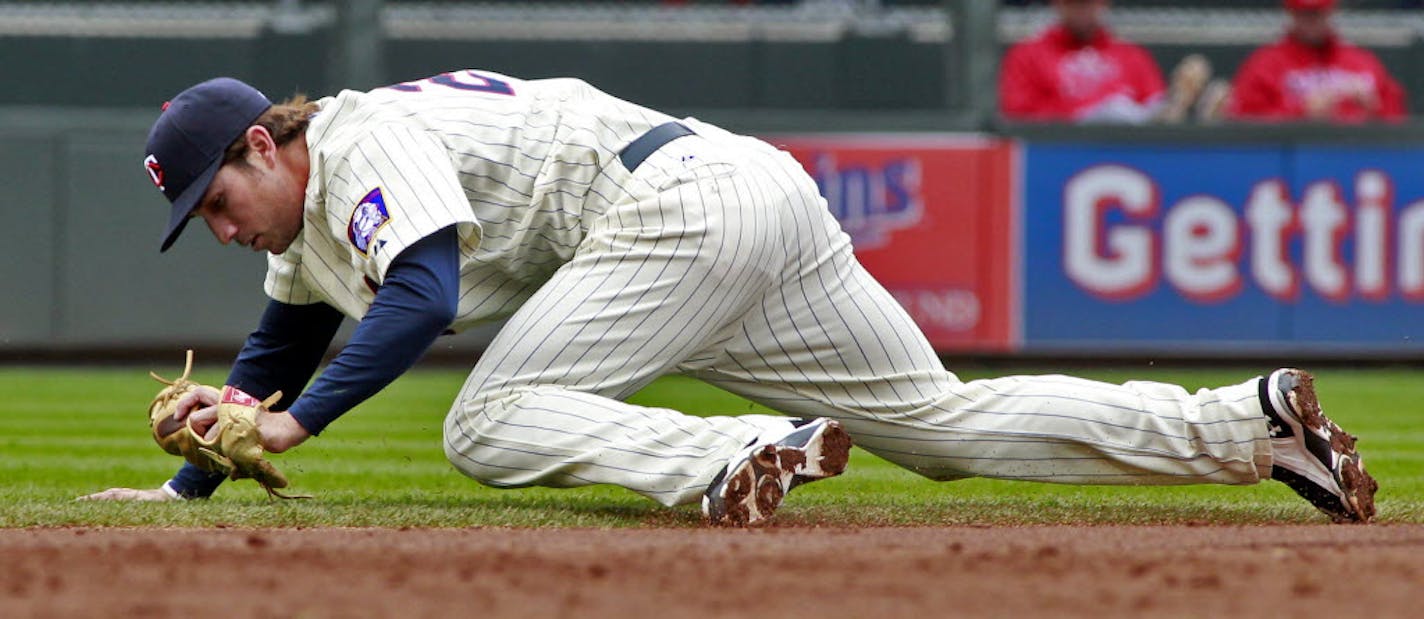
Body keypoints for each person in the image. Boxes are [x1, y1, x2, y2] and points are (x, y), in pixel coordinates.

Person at [84, 69, 1377, 525]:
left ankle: (735, 454)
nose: (213, 221)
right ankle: (1244, 424)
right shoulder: (302, 220)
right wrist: (198, 463)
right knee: (935, 425)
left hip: (675, 210)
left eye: (211, 193)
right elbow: (285, 331)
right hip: (743, 201)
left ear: (263, 142)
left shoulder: (361, 143)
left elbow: (417, 296)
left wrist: (299, 426)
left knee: (487, 421)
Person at [998, 0, 1209, 124]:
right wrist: (1085, 116)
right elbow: (1018, 116)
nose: (1082, 11)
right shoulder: (1027, 55)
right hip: (1058, 153)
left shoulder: (1131, 55)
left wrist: (1177, 102)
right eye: (1074, 4)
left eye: (1088, 4)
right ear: (1057, 4)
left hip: (1127, 153)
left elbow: (1156, 112)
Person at [1227, 0, 1406, 123]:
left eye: (1318, 13)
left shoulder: (1361, 62)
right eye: (1305, 14)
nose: (1311, 21)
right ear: (1291, 13)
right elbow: (1244, 125)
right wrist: (1301, 113)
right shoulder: (1264, 64)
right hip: (1290, 168)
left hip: (1355, 162)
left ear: (1331, 11)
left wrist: (1374, 110)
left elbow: (1399, 121)